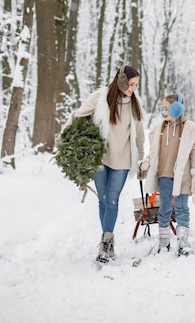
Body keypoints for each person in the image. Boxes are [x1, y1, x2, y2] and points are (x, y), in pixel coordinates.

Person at [60, 65, 145, 263]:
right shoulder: (101, 97)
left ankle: (107, 242)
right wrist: (62, 135)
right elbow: (78, 114)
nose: (133, 89)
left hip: (123, 161)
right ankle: (106, 242)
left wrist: (141, 160)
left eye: (136, 85)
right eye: (131, 84)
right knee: (103, 199)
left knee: (113, 199)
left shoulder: (135, 104)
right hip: (101, 158)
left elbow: (139, 135)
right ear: (122, 81)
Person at [139, 92, 195, 256]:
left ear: (177, 109)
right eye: (162, 109)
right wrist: (146, 163)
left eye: (167, 109)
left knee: (181, 208)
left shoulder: (189, 129)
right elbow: (153, 153)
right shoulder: (160, 128)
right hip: (164, 175)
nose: (163, 112)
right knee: (165, 209)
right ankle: (164, 241)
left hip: (183, 177)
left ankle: (182, 242)